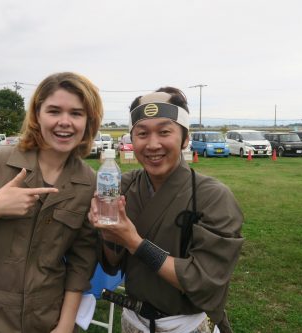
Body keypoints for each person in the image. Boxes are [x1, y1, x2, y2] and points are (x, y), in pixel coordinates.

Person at [0, 72, 103, 333]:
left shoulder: (88, 182)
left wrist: (66, 323)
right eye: (54, 111)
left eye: (77, 113)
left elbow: (82, 260)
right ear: (37, 114)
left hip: (47, 319)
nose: (65, 122)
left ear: (89, 121)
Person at [88, 88, 244, 333]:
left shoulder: (212, 196)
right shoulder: (123, 186)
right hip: (132, 321)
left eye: (164, 132)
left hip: (184, 325)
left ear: (185, 138)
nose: (152, 144)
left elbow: (203, 281)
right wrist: (110, 236)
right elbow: (112, 264)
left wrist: (135, 243)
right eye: (142, 133)